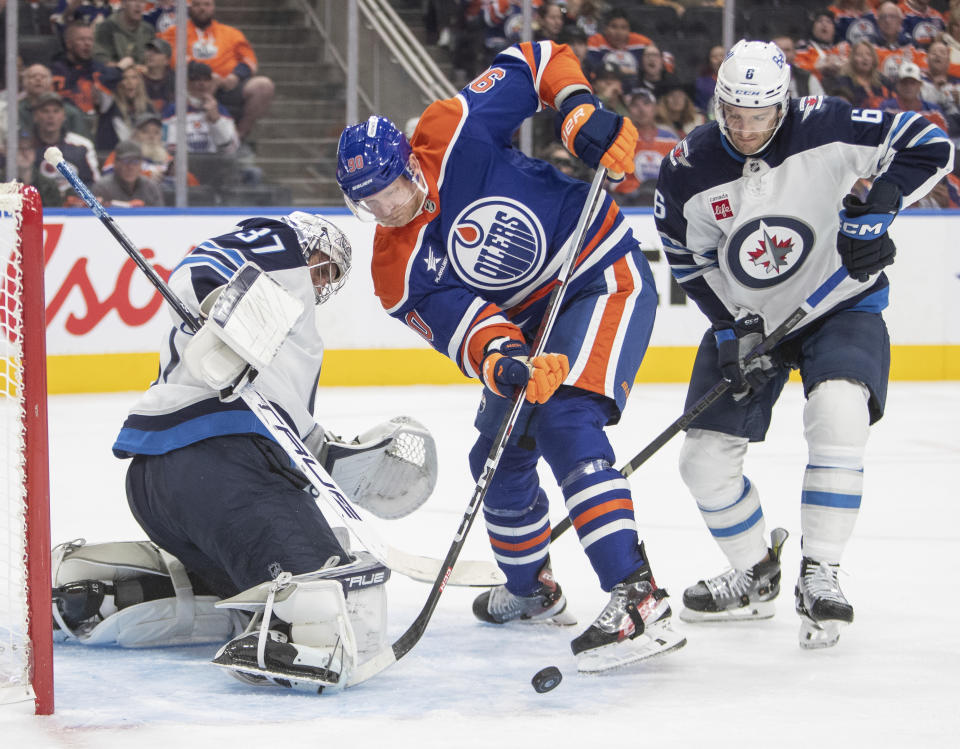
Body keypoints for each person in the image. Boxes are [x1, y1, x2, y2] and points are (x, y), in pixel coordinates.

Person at [335, 39, 686, 674]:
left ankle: (638, 598)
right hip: (529, 326)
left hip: (600, 273)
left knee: (566, 421)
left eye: (391, 189)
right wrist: (505, 361)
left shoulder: (450, 131)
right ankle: (532, 592)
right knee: (495, 454)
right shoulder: (394, 270)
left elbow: (535, 59)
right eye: (371, 202)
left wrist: (577, 107)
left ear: (410, 162)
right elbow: (467, 328)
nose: (387, 208)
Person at [655, 39, 952, 650]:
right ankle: (755, 574)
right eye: (733, 114)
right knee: (702, 461)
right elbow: (688, 258)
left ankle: (820, 573)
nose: (744, 129)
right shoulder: (688, 168)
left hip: (839, 302)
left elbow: (930, 142)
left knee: (839, 412)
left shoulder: (830, 123)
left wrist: (882, 205)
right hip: (750, 319)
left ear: (782, 106)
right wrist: (731, 323)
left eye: (759, 116)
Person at [108, 212, 382, 690]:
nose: (319, 283)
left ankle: (123, 593)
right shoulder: (281, 247)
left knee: (256, 596)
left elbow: (290, 430)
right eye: (322, 268)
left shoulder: (291, 328)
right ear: (308, 246)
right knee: (328, 608)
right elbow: (198, 271)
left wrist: (346, 460)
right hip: (219, 464)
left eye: (328, 279)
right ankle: (285, 635)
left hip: (159, 483)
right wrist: (220, 302)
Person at [159, 0, 274, 142]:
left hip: (226, 86)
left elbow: (249, 61)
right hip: (191, 85)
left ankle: (238, 137)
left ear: (213, 7)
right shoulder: (175, 32)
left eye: (207, 4)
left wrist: (234, 78)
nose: (202, 9)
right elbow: (174, 58)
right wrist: (207, 77)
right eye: (197, 5)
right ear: (190, 7)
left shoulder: (232, 33)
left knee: (263, 86)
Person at [91, 139, 163, 206]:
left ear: (141, 164)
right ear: (115, 163)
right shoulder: (102, 188)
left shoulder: (150, 188)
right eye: (126, 161)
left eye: (135, 162)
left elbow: (161, 217)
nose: (130, 167)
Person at [93, 0, 156, 71]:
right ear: (123, 4)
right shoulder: (107, 28)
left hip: (142, 78)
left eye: (142, 1)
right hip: (115, 76)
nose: (138, 5)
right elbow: (100, 60)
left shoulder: (148, 30)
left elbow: (154, 60)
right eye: (134, 1)